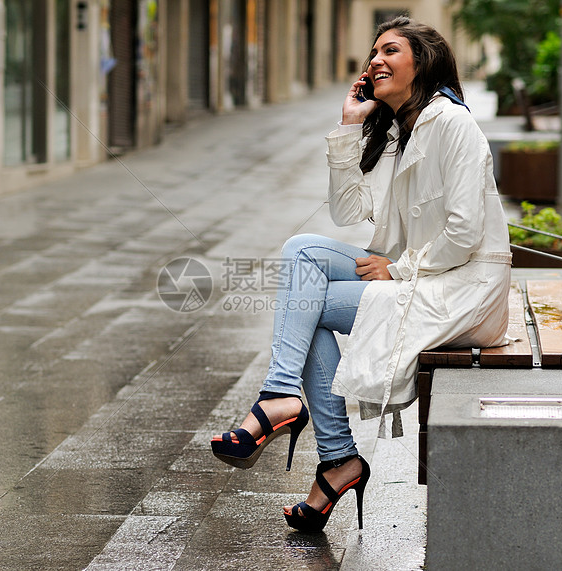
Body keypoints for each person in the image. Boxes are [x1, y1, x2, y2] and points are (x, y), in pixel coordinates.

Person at [210, 16, 511, 533]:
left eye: (390, 51)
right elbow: (348, 213)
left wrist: (399, 268)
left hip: (463, 290)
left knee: (308, 310)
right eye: (373, 52)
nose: (375, 60)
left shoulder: (451, 124)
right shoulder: (399, 129)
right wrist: (351, 126)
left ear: (424, 61)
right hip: (426, 275)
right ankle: (297, 413)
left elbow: (464, 232)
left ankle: (322, 443)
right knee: (302, 251)